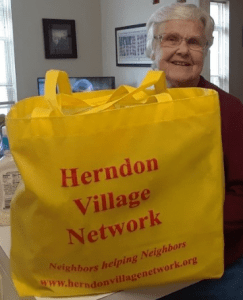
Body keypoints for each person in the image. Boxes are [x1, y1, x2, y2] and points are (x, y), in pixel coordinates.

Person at [146, 3, 243, 299]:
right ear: (152, 48)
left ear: (205, 51)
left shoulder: (230, 110)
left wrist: (181, 227)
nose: (183, 50)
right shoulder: (129, 110)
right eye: (171, 39)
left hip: (216, 272)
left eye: (194, 42)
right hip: (147, 265)